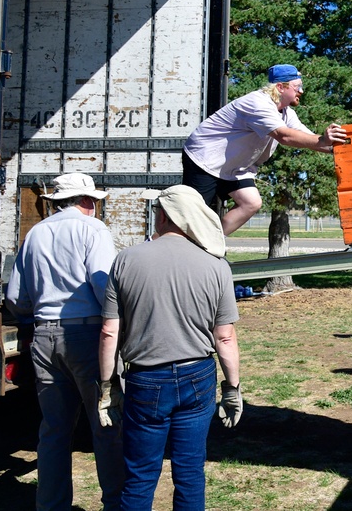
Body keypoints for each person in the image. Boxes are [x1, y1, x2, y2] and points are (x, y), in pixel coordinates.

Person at [98, 185, 242, 511]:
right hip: (198, 376)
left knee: (140, 476)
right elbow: (225, 338)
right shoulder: (217, 265)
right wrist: (232, 388)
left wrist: (107, 387)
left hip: (145, 380)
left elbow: (109, 332)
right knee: (190, 473)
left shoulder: (126, 260)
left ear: (165, 216)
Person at [4, 172, 124, 511]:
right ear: (87, 202)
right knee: (105, 422)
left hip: (44, 334)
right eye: (95, 203)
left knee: (54, 429)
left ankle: (51, 505)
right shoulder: (92, 230)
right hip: (86, 334)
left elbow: (16, 297)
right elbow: (105, 289)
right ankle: (116, 502)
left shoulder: (35, 234)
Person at [182, 64, 348, 235]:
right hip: (204, 159)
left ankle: (211, 241)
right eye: (298, 86)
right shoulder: (257, 103)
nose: (302, 91)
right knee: (188, 218)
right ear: (280, 87)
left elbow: (308, 138)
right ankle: (155, 243)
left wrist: (338, 148)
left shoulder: (286, 113)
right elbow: (284, 136)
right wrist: (322, 140)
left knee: (251, 203)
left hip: (233, 166)